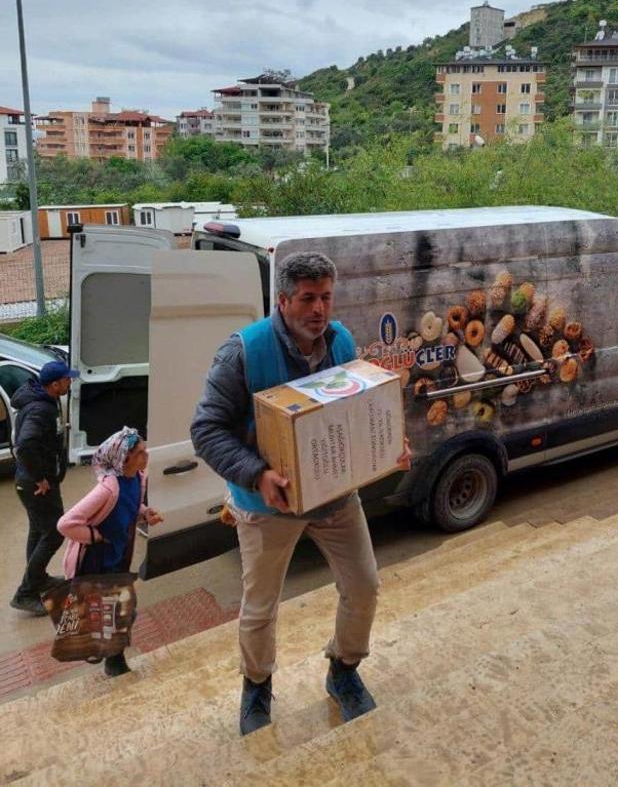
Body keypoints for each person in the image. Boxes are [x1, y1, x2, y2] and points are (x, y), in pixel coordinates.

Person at [191, 251, 411, 736]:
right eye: (308, 299)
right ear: (284, 300)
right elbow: (205, 429)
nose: (319, 309)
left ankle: (343, 671)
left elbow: (353, 408)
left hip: (334, 501)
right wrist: (258, 475)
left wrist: (386, 442)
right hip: (266, 507)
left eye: (326, 297)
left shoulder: (342, 341)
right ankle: (256, 687)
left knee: (364, 586)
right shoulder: (243, 352)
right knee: (261, 606)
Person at [57, 426, 164, 676]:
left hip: (118, 556)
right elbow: (65, 524)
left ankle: (108, 655)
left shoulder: (137, 478)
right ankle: (109, 658)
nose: (145, 457)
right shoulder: (107, 489)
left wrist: (145, 513)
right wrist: (95, 536)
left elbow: (129, 507)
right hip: (97, 562)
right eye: (139, 453)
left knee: (120, 611)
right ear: (122, 459)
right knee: (122, 610)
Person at [10, 360, 79, 616]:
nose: (70, 382)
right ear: (55, 384)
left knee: (39, 532)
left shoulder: (43, 401)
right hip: (37, 485)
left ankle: (37, 579)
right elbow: (25, 445)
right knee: (54, 531)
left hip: (32, 481)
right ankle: (25, 593)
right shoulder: (40, 409)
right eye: (66, 380)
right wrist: (39, 477)